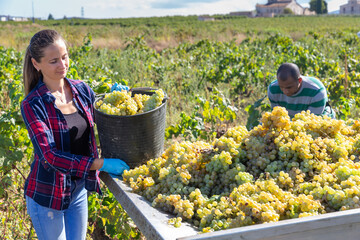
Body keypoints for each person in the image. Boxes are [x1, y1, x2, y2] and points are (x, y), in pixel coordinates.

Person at [21, 29, 129, 240]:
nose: (62, 65)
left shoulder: (82, 90)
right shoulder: (33, 104)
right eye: (53, 61)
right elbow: (49, 157)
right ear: (36, 64)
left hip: (77, 191)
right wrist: (100, 164)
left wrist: (115, 101)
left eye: (64, 57)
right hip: (47, 196)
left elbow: (106, 122)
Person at [267, 63, 335, 119]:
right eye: (281, 87)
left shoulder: (317, 91)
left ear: (299, 80)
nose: (285, 91)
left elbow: (311, 122)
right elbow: (277, 117)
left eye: (289, 87)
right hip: (292, 123)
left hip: (321, 122)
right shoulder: (273, 89)